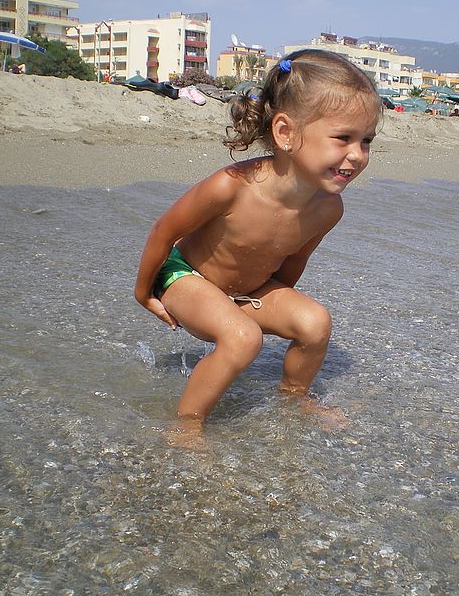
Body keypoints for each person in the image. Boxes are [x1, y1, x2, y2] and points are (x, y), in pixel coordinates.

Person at [134, 49, 382, 447]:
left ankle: (295, 398)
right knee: (243, 338)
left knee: (315, 323)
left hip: (245, 290)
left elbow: (292, 263)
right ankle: (186, 424)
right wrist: (144, 291)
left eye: (366, 141)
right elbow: (164, 231)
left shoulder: (328, 208)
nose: (357, 155)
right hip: (185, 277)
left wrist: (266, 304)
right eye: (343, 138)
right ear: (285, 133)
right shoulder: (231, 186)